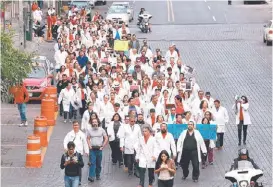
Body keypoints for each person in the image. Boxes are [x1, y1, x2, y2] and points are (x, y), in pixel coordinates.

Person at [63, 121, 89, 185]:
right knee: (69, 165)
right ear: (73, 126)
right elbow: (65, 141)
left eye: (77, 125)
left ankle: (78, 180)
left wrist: (87, 151)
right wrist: (66, 148)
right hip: (70, 153)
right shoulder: (69, 134)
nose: (76, 126)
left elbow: (85, 143)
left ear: (78, 126)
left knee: (78, 167)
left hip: (79, 153)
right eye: (74, 125)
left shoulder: (82, 134)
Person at [86, 118, 108, 182]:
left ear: (98, 123)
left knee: (98, 163)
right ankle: (91, 176)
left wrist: (103, 146)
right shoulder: (89, 130)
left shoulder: (102, 130)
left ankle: (97, 175)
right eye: (93, 122)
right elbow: (88, 138)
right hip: (92, 149)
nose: (95, 123)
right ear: (92, 123)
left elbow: (106, 138)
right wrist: (89, 146)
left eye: (96, 122)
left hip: (99, 149)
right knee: (92, 163)